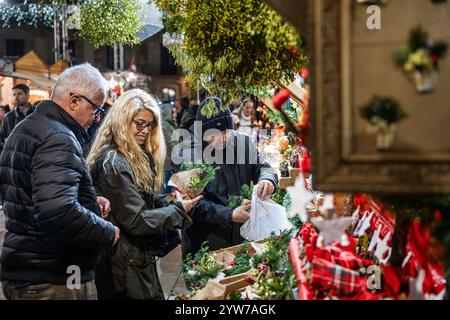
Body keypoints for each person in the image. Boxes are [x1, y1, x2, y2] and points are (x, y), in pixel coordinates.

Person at [0, 63, 120, 300]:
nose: (97, 119)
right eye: (95, 109)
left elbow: (31, 194)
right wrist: (107, 231)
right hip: (51, 274)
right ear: (74, 101)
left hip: (27, 269)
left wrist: (87, 201)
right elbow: (58, 211)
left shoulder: (26, 128)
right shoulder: (58, 137)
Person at [87, 89, 201, 300]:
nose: (145, 130)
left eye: (150, 125)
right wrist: (176, 210)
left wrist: (170, 200)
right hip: (124, 263)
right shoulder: (114, 162)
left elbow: (141, 199)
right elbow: (136, 219)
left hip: (133, 258)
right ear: (122, 120)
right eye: (139, 123)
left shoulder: (130, 155)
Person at [173, 97, 278, 257]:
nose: (222, 138)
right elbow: (193, 205)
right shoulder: (189, 154)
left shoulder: (242, 142)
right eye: (213, 135)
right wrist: (229, 214)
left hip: (241, 236)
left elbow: (262, 166)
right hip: (205, 245)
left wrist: (267, 179)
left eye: (225, 132)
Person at [0, 84, 35, 155]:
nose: (16, 97)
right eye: (14, 94)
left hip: (34, 156)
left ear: (28, 95)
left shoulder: (38, 113)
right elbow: (1, 138)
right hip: (14, 157)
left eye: (19, 94)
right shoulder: (8, 117)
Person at [161, 101, 177, 193]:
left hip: (167, 164)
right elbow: (173, 145)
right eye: (173, 112)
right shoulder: (166, 126)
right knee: (166, 191)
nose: (175, 115)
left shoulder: (168, 125)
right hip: (166, 165)